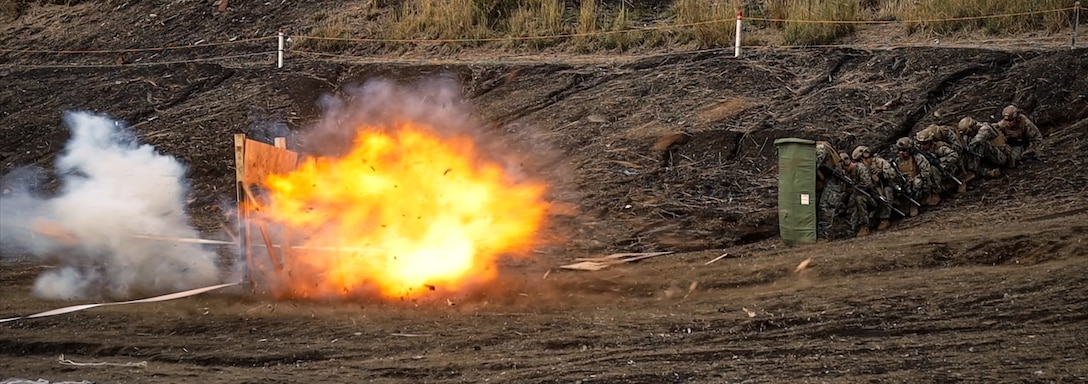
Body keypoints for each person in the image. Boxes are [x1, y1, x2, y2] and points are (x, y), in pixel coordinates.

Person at [891, 137, 941, 215]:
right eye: (900, 151)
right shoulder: (896, 162)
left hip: (919, 182)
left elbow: (926, 171)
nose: (902, 153)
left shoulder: (917, 158)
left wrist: (915, 179)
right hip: (906, 185)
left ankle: (927, 196)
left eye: (904, 150)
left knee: (917, 183)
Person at [852, 145, 894, 230]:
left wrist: (881, 173)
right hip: (871, 196)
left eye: (865, 158)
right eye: (860, 160)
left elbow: (892, 174)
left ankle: (884, 218)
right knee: (859, 199)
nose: (864, 162)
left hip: (883, 192)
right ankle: (864, 225)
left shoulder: (879, 162)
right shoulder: (858, 170)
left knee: (888, 190)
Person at [915, 129, 965, 194]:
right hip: (927, 170)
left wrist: (939, 161)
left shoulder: (939, 147)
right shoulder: (919, 148)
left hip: (946, 169)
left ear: (930, 142)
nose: (922, 146)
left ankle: (938, 189)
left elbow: (954, 155)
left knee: (933, 169)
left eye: (924, 144)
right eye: (920, 143)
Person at [814, 141, 845, 240]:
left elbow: (813, 165)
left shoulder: (821, 148)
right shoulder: (821, 147)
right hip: (826, 181)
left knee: (825, 207)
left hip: (834, 182)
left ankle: (823, 237)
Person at [841, 153, 877, 237]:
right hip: (858, 196)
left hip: (871, 197)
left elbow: (867, 184)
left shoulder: (860, 168)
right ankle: (852, 226)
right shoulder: (847, 173)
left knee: (859, 199)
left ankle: (865, 226)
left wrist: (853, 188)